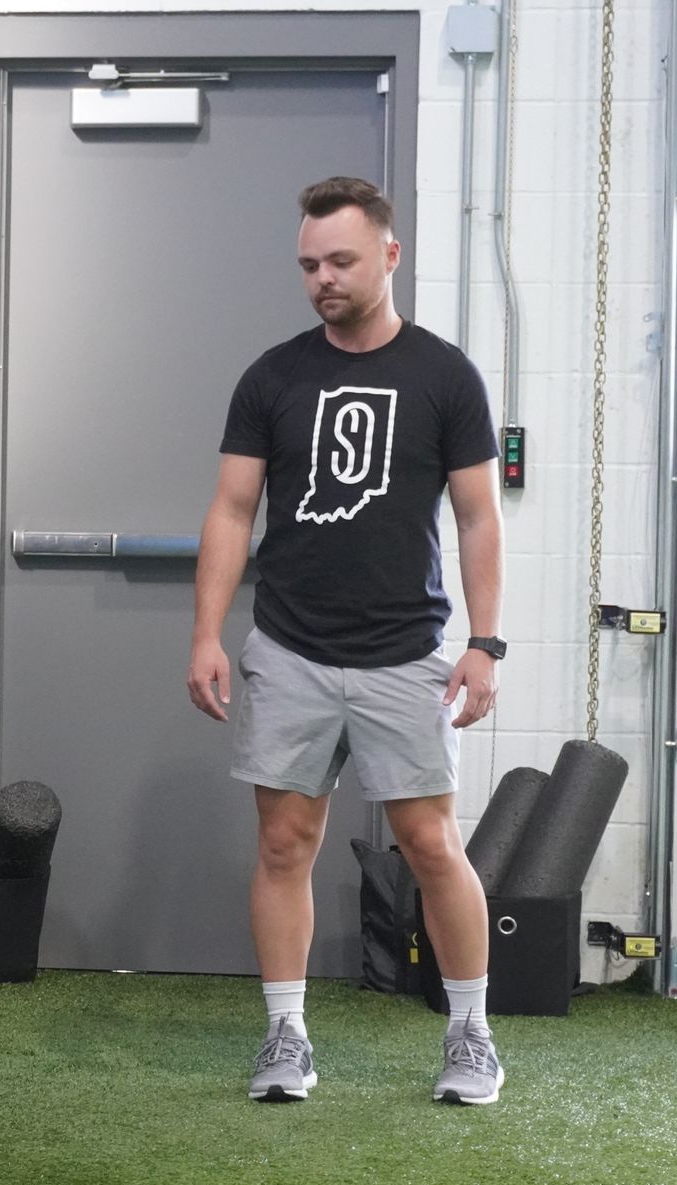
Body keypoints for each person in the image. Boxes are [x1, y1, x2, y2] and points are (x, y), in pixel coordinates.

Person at [185, 177, 508, 1107]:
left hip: (407, 651)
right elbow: (233, 509)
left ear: (389, 256)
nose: (322, 278)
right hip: (290, 646)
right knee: (286, 842)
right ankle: (285, 1034)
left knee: (430, 842)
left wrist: (486, 643)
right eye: (309, 265)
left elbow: (480, 517)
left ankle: (471, 1034)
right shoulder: (273, 378)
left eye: (341, 261)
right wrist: (207, 632)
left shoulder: (445, 376)